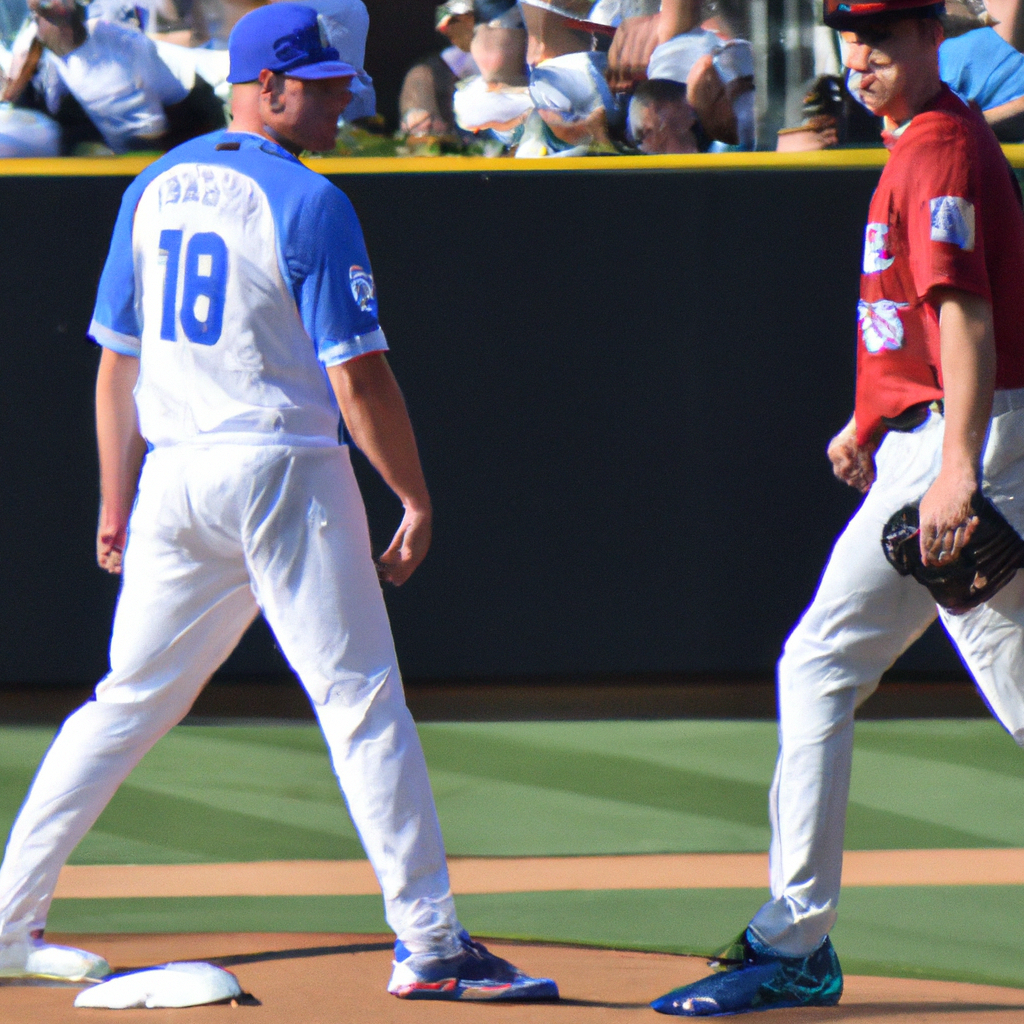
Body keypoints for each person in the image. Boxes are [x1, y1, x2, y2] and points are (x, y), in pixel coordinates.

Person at [0, 2, 558, 1004]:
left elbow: (113, 369)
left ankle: (5, 919)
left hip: (174, 475)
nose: (345, 101)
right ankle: (430, 943)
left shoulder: (153, 185)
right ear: (269, 86)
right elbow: (360, 381)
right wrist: (414, 494)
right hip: (282, 466)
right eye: (328, 86)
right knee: (359, 699)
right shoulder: (308, 200)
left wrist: (115, 494)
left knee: (123, 702)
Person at [652, 0, 1024, 1016]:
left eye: (884, 36)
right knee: (823, 662)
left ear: (930, 38)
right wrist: (872, 420)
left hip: (968, 440)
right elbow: (906, 320)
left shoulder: (941, 148)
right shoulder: (917, 144)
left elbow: (965, 313)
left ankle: (796, 941)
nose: (862, 57)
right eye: (850, 39)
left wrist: (954, 466)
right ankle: (793, 937)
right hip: (938, 436)